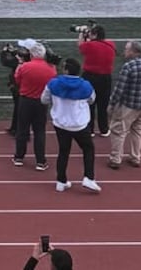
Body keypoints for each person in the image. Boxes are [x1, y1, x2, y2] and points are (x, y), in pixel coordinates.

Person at [42, 58, 101, 193]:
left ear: (66, 70)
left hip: (60, 124)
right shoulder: (86, 86)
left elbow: (44, 99)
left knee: (63, 151)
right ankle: (89, 177)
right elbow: (92, 100)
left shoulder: (53, 83)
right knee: (88, 149)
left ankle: (61, 181)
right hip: (79, 124)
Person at [107, 40, 141, 168]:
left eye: (126, 49)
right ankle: (135, 157)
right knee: (138, 131)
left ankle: (115, 159)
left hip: (128, 105)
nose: (124, 51)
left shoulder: (128, 67)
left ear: (133, 51)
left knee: (119, 131)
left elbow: (119, 89)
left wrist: (112, 104)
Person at [12, 39, 57, 170]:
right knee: (39, 131)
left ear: (31, 54)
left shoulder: (25, 66)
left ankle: (19, 157)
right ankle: (40, 161)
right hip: (41, 102)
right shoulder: (51, 69)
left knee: (22, 129)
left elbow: (17, 80)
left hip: (25, 101)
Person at [77, 24, 116, 136]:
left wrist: (81, 34)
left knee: (89, 103)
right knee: (103, 104)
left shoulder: (89, 45)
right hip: (106, 78)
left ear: (95, 34)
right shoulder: (111, 44)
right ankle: (104, 128)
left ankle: (90, 129)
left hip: (90, 76)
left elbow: (80, 46)